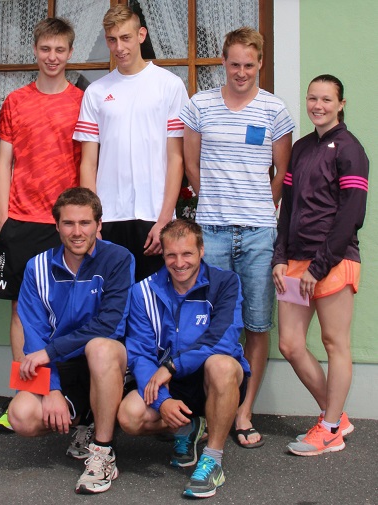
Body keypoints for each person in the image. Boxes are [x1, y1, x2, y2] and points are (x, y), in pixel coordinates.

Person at [180, 27, 295, 448]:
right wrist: (213, 201)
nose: (241, 72)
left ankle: (244, 410)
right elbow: (191, 165)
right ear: (223, 63)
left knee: (257, 324)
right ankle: (213, 410)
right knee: (211, 321)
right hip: (212, 231)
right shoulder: (200, 105)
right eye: (234, 64)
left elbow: (281, 173)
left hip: (260, 234)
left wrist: (260, 208)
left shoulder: (274, 110)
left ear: (260, 63)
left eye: (249, 64)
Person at [7, 187, 134, 494]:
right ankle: (84, 423)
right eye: (69, 223)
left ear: (98, 225)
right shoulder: (37, 267)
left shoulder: (118, 258)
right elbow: (33, 334)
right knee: (20, 416)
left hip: (105, 362)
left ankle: (103, 451)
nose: (77, 232)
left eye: (85, 223)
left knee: (100, 348)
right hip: (61, 364)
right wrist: (51, 389)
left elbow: (109, 325)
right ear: (57, 226)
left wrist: (50, 352)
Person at [0, 18, 84, 431]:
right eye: (45, 49)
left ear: (70, 53)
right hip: (21, 222)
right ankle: (25, 394)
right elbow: (5, 162)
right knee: (21, 311)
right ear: (35, 50)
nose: (52, 57)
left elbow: (88, 162)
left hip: (64, 225)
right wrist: (4, 220)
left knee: (69, 311)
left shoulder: (81, 101)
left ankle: (67, 398)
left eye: (59, 50)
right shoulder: (15, 101)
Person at [272, 74, 368, 456]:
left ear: (341, 104)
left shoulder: (350, 149)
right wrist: (280, 257)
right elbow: (288, 207)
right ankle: (336, 417)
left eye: (327, 99)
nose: (318, 105)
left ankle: (328, 429)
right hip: (297, 260)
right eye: (313, 98)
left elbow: (351, 215)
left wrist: (320, 265)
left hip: (334, 259)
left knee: (334, 342)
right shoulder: (300, 148)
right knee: (291, 343)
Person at [118, 219, 250, 499]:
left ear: (201, 250)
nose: (179, 263)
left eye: (187, 253)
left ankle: (213, 459)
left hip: (211, 380)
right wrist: (162, 401)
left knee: (222, 364)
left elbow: (223, 339)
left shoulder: (225, 283)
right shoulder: (143, 291)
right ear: (163, 254)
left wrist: (173, 365)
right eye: (171, 255)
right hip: (169, 384)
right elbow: (140, 353)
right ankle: (188, 427)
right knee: (129, 417)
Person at [73, 4, 189, 282]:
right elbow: (88, 163)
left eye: (125, 38)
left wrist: (165, 219)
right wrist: (92, 221)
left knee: (153, 303)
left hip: (155, 217)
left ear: (141, 35)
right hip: (109, 218)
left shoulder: (170, 85)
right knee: (110, 302)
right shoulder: (96, 91)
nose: (119, 47)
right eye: (112, 40)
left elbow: (176, 159)